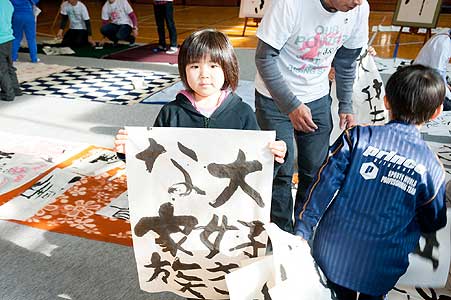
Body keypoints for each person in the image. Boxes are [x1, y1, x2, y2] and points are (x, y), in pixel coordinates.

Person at [295, 65, 448, 300]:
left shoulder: (356, 138)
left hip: (332, 253)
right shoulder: (431, 167)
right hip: (383, 264)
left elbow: (321, 186)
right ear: (437, 112)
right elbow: (433, 221)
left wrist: (302, 230)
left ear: (386, 101)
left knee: (334, 294)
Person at [254, 0, 370, 233]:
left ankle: (303, 232)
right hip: (274, 99)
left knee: (316, 170)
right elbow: (264, 58)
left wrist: (345, 103)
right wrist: (291, 105)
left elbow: (346, 61)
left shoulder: (359, 9)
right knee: (280, 172)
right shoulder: (290, 4)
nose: (357, 1)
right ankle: (281, 235)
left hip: (316, 95)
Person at [114, 29, 286, 166]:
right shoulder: (171, 113)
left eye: (213, 66)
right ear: (184, 70)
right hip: (182, 200)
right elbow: (155, 160)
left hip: (228, 205)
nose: (204, 74)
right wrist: (128, 152)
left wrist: (273, 157)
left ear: (228, 69)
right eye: (195, 66)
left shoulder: (243, 113)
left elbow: (255, 167)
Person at [413, 29, 451, 111]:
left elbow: (441, 71)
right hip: (422, 84)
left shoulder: (445, 35)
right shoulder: (444, 45)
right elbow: (437, 75)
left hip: (428, 77)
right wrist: (449, 95)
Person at [0, 0, 21, 101]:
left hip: (0, 39)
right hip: (9, 37)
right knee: (9, 66)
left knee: (1, 68)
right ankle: (16, 89)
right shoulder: (7, 2)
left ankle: (8, 93)